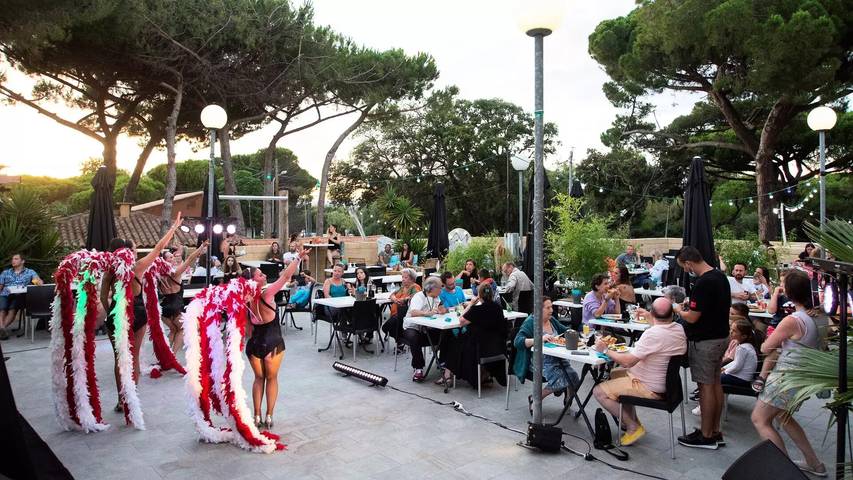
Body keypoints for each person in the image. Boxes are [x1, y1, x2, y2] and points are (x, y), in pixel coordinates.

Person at [100, 213, 183, 412]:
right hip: (138, 314)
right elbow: (158, 248)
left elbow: (104, 297)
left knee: (120, 358)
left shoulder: (109, 272)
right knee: (134, 357)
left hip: (116, 315)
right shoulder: (138, 267)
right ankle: (131, 397)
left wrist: (111, 312)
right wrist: (173, 228)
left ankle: (121, 400)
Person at [751, 269, 828, 477]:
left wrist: (771, 341)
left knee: (760, 419)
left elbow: (766, 348)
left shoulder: (792, 320)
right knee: (784, 417)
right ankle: (814, 463)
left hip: (786, 376)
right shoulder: (820, 317)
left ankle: (784, 471)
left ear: (790, 293)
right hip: (801, 376)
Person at [592, 298, 687, 445]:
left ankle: (632, 426)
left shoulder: (653, 334)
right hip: (669, 385)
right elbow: (661, 329)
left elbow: (627, 361)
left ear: (652, 312)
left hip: (649, 386)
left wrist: (605, 349)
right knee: (615, 374)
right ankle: (631, 419)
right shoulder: (678, 329)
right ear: (672, 314)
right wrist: (650, 317)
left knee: (599, 391)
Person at [244, 247, 310, 429]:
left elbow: (247, 330)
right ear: (253, 280)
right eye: (260, 275)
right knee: (272, 379)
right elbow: (286, 277)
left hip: (254, 345)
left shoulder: (246, 301)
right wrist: (298, 258)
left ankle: (256, 416)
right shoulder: (267, 293)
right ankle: (269, 416)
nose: (264, 275)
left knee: (258, 379)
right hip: (273, 342)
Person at [673, 245, 731, 449]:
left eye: (684, 267)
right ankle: (714, 431)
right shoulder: (720, 276)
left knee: (705, 387)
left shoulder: (703, 283)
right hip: (721, 337)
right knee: (715, 383)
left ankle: (706, 436)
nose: (686, 270)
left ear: (689, 263)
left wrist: (678, 309)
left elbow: (693, 317)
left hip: (705, 342)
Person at [513, 297, 581, 414]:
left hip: (558, 358)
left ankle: (567, 401)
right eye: (548, 308)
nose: (551, 310)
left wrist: (577, 334)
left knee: (574, 377)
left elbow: (565, 331)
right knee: (560, 378)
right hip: (539, 361)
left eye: (551, 307)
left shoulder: (552, 320)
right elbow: (517, 342)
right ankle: (535, 398)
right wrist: (539, 339)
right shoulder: (531, 322)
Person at [437, 283, 507, 387]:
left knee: (453, 343)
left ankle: (447, 376)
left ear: (479, 295)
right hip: (497, 346)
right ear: (492, 294)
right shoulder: (498, 308)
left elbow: (461, 320)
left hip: (479, 347)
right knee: (458, 341)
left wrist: (471, 304)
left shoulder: (476, 310)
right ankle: (485, 374)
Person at [158, 242, 207, 353]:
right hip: (176, 306)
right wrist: (201, 247)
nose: (174, 258)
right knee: (181, 330)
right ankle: (173, 356)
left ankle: (164, 355)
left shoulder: (159, 275)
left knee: (173, 330)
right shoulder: (175, 273)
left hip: (164, 308)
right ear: (166, 261)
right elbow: (190, 259)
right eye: (171, 257)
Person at [402, 277, 446, 381]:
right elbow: (414, 312)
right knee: (414, 337)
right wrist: (426, 313)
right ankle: (418, 368)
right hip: (412, 326)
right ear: (433, 288)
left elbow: (440, 308)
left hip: (428, 327)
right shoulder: (419, 296)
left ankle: (443, 361)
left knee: (446, 334)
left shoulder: (436, 297)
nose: (441, 290)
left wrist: (442, 310)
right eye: (440, 287)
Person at [0, 254, 43, 340]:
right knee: (2, 308)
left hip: (19, 295)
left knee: (13, 308)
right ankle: (2, 329)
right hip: (5, 293)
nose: (13, 261)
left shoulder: (30, 272)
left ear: (22, 261)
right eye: (12, 259)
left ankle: (2, 329)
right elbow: (0, 285)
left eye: (16, 259)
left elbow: (40, 282)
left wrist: (36, 281)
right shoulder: (5, 272)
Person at [382, 268, 422, 343]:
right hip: (396, 313)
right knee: (390, 327)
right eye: (402, 277)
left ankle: (400, 342)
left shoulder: (415, 287)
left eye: (405, 277)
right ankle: (399, 342)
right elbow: (392, 294)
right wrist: (394, 299)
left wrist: (403, 299)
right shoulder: (403, 287)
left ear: (412, 279)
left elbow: (415, 296)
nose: (403, 279)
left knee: (386, 327)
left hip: (403, 314)